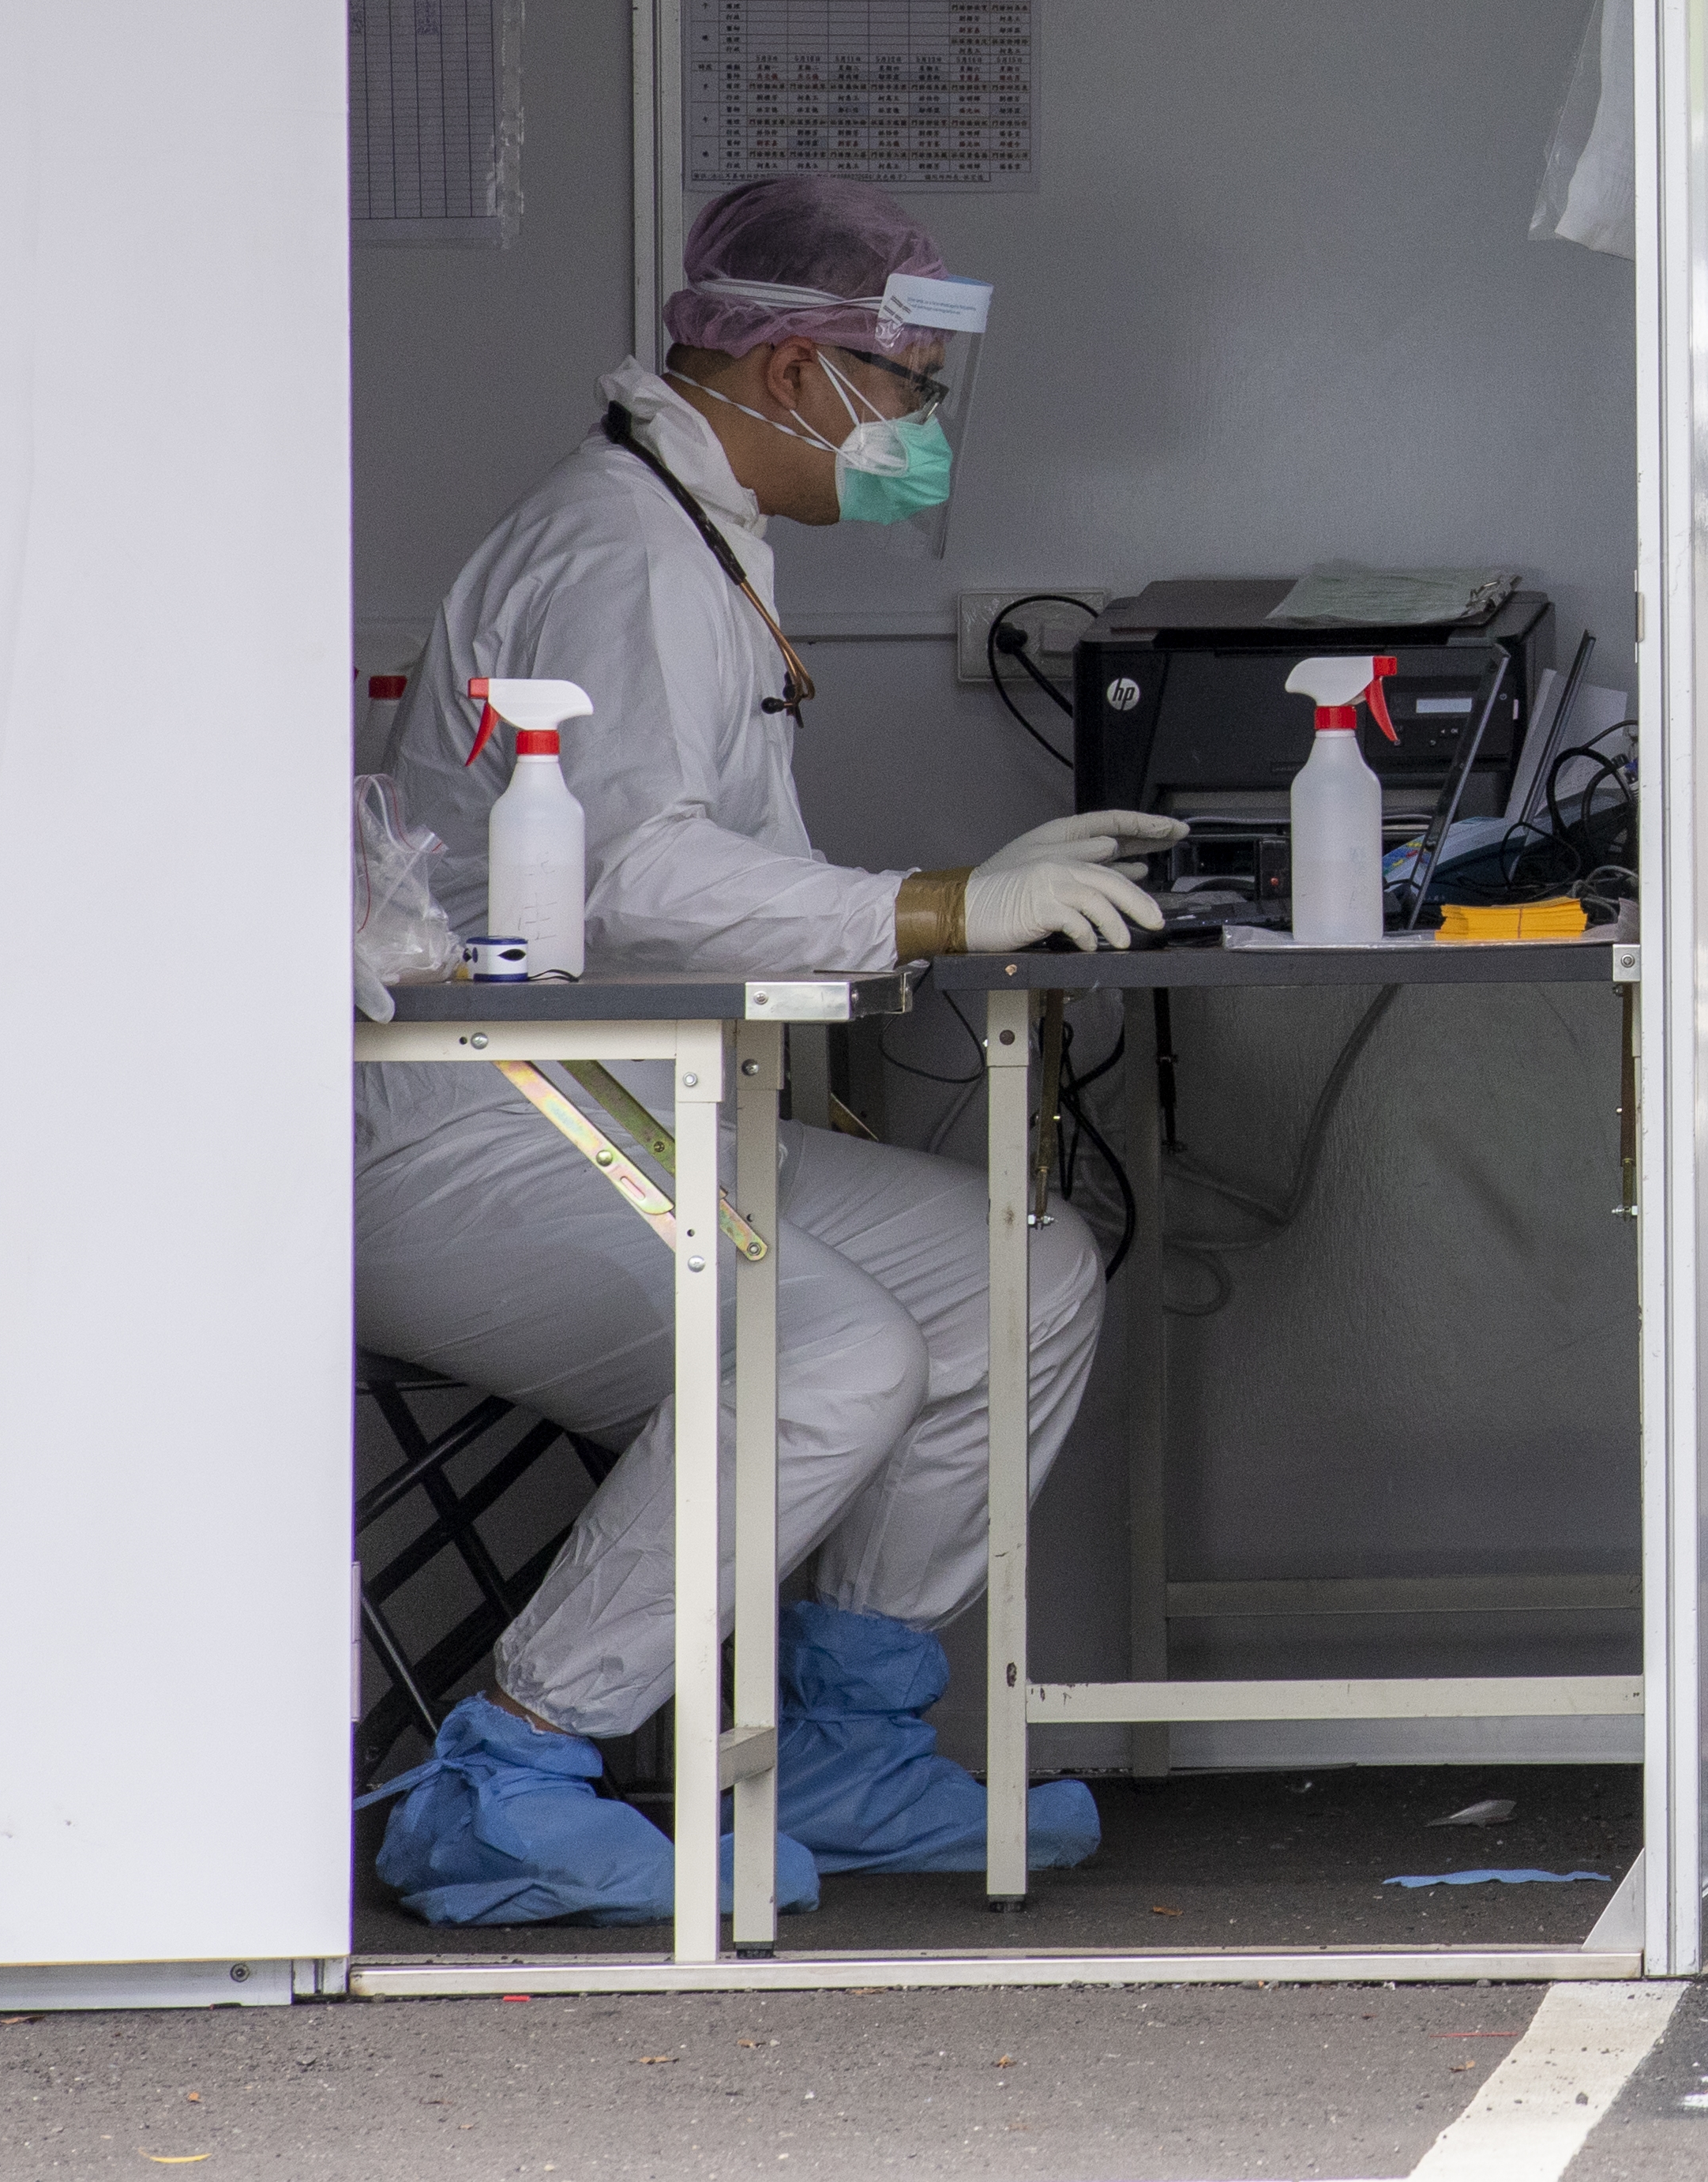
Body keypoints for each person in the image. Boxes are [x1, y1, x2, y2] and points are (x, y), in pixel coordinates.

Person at [360, 175, 1172, 1926]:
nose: (923, 433)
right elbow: (637, 869)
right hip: (473, 1127)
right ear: (798, 370)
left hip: (632, 1101)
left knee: (1017, 1271)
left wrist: (921, 907)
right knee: (827, 1347)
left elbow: (685, 857)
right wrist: (942, 904)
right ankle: (509, 1765)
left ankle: (843, 1743)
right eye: (906, 389)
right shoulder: (618, 550)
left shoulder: (701, 534)